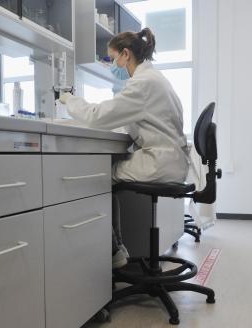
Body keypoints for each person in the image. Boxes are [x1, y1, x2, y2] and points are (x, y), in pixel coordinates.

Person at [59, 28, 189, 268]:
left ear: (126, 54)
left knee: (97, 178)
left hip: (160, 163)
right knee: (106, 174)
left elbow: (97, 116)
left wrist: (70, 100)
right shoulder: (156, 79)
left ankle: (114, 252)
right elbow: (138, 123)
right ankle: (116, 249)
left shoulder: (142, 84)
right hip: (170, 160)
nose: (111, 64)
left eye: (112, 58)